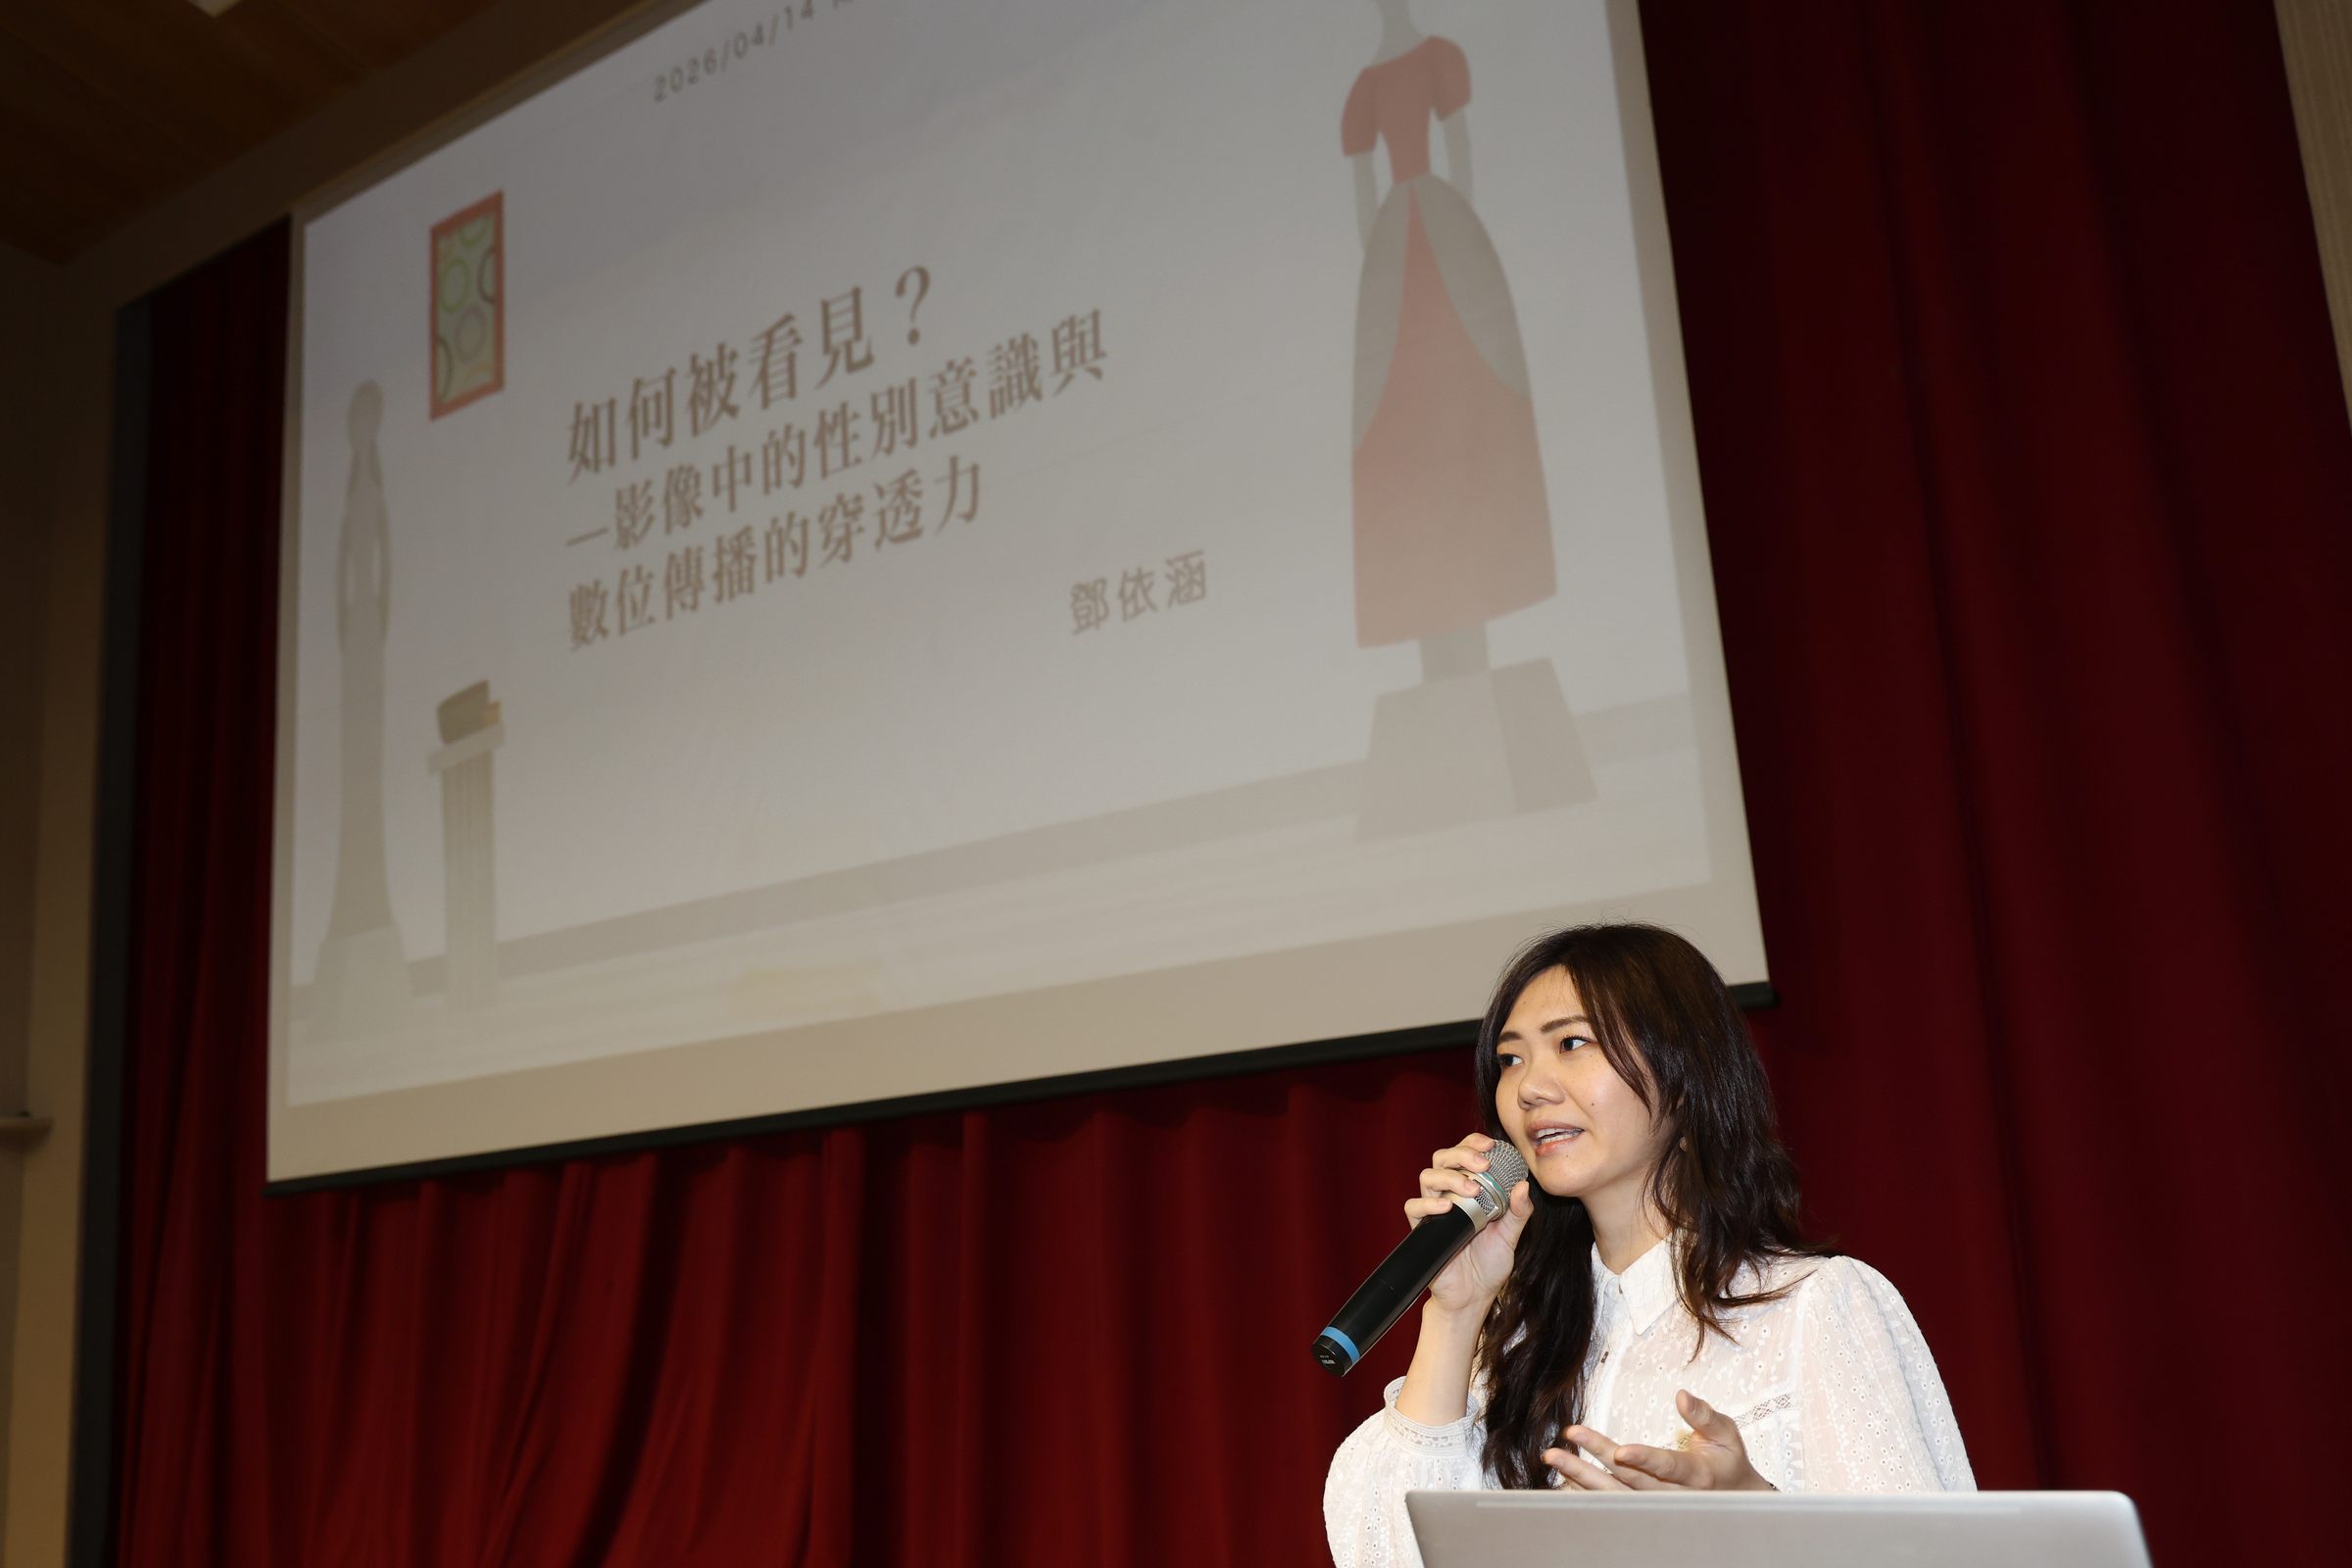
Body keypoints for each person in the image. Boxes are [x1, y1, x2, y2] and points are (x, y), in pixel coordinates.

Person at [1324, 924, 1973, 1567]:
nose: (1529, 1088)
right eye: (1511, 1059)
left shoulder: (1812, 1307)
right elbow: (1389, 1550)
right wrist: (1457, 1311)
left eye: (1572, 1043)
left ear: (1684, 1078)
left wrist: (1758, 1517)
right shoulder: (1516, 1354)